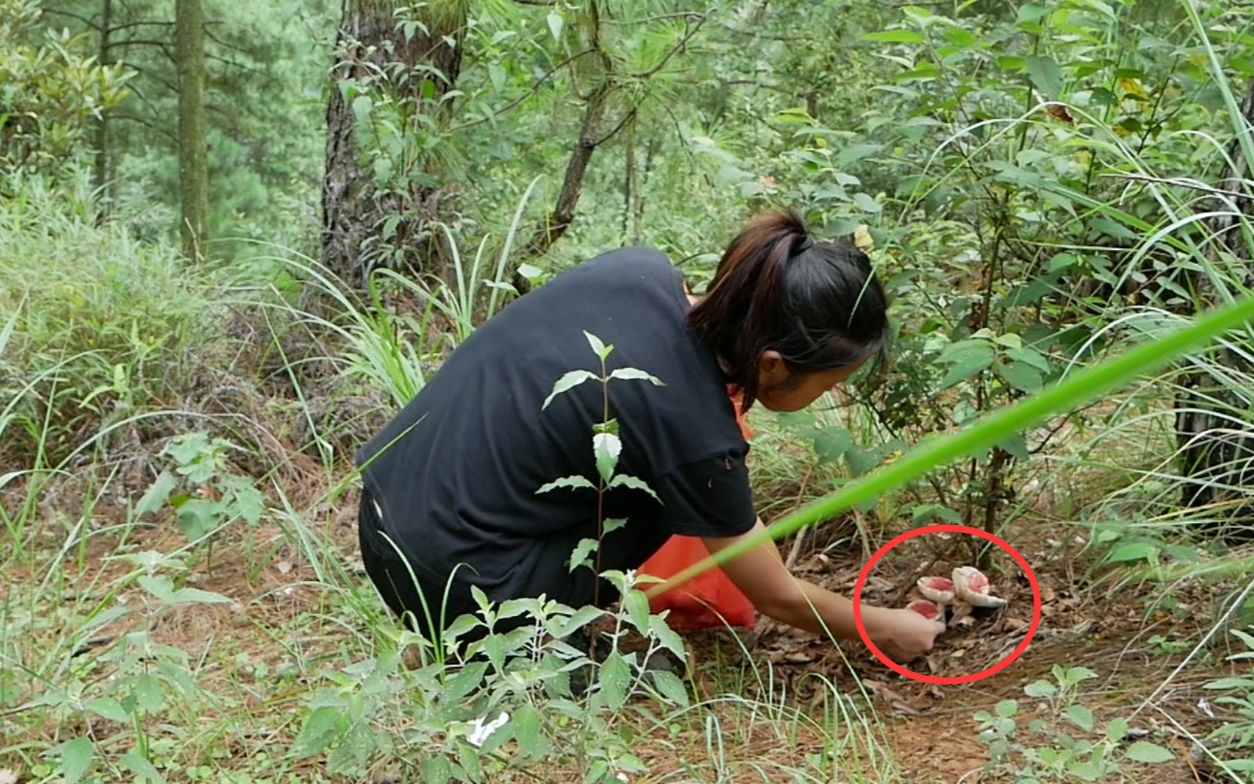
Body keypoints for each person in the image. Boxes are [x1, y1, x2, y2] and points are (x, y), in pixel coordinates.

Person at [356, 209, 944, 664]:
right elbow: (776, 595)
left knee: (662, 486)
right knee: (662, 503)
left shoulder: (638, 270)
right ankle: (507, 655)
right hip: (452, 582)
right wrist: (887, 627)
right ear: (772, 365)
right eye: (832, 381)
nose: (832, 394)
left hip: (384, 506)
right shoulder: (691, 432)